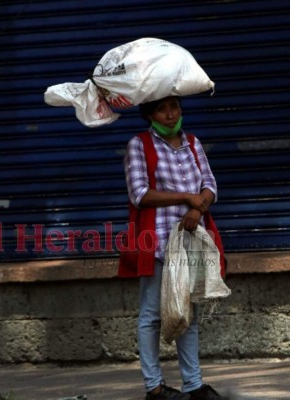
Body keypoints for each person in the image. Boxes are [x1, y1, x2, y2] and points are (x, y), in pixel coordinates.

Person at [122, 96, 228, 400]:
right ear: (149, 114)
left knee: (188, 313)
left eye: (174, 107)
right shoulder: (139, 145)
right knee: (152, 316)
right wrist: (186, 198)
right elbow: (139, 194)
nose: (170, 114)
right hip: (157, 241)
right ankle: (153, 387)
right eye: (162, 109)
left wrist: (197, 209)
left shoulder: (193, 143)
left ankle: (193, 385)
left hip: (191, 240)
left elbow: (210, 185)